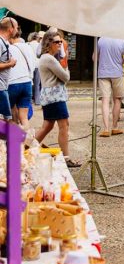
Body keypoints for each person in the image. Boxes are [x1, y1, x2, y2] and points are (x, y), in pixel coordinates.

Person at [36, 30, 80, 166]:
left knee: (48, 126)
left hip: (50, 96)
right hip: (55, 96)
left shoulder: (46, 58)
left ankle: (25, 149)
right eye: (56, 42)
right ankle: (66, 158)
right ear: (49, 43)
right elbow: (65, 77)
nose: (60, 44)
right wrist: (65, 61)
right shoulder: (49, 59)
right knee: (64, 126)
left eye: (61, 41)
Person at [96, 36, 124, 136]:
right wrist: (118, 62)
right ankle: (114, 127)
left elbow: (94, 58)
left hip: (103, 73)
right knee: (117, 100)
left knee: (105, 101)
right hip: (117, 73)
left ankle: (106, 129)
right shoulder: (123, 40)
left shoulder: (101, 39)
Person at [8, 24, 36, 129]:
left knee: (11, 115)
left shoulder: (9, 48)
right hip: (27, 83)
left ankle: (14, 143)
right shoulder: (28, 47)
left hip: (12, 83)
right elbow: (33, 66)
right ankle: (26, 142)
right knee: (24, 117)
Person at [0, 17, 17, 122]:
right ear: (11, 29)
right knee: (7, 122)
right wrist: (10, 64)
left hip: (3, 86)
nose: (17, 30)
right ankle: (18, 138)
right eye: (16, 27)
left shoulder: (4, 42)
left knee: (6, 121)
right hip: (0, 88)